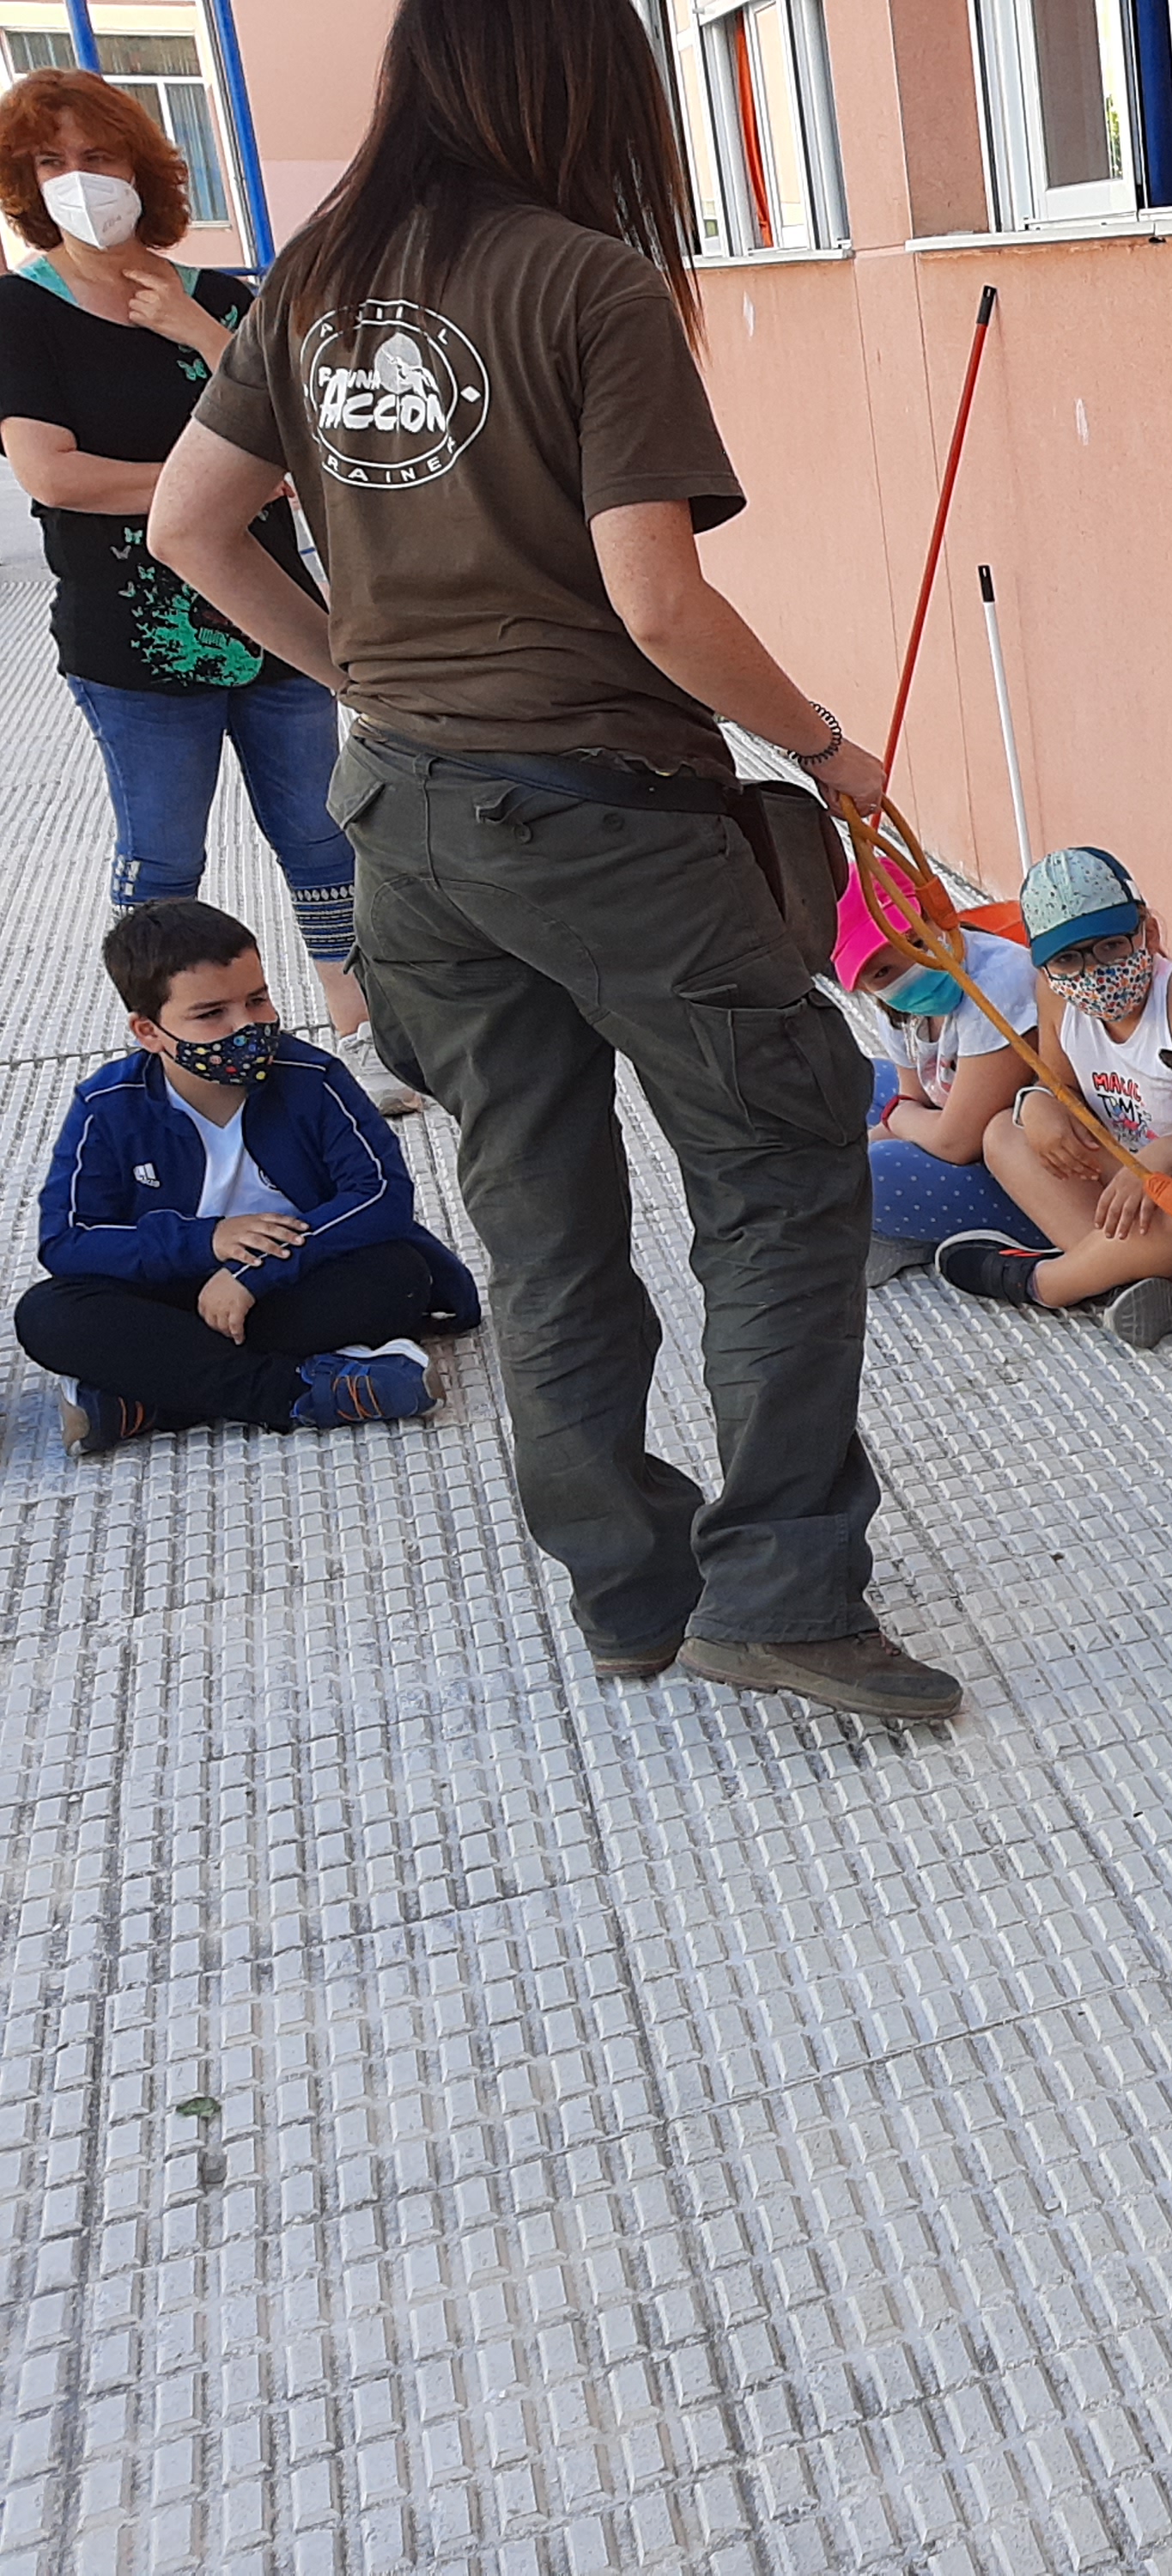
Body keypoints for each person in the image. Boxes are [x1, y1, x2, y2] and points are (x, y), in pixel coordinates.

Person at [146, 0, 953, 1720]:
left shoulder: (311, 280)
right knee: (779, 1167)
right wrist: (820, 745)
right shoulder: (590, 281)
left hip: (406, 820)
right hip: (603, 820)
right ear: (581, 81)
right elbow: (659, 603)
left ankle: (631, 1592)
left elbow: (186, 525)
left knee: (541, 1211)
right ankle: (786, 1596)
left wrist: (361, 675)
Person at [0, 67, 412, 1115]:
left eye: (98, 155)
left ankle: (362, 1033)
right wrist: (220, 484)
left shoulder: (227, 300)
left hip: (274, 625)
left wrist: (198, 332)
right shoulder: (22, 311)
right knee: (162, 861)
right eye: (50, 161)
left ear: (143, 167)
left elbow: (310, 440)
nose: (78, 178)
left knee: (321, 838)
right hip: (133, 645)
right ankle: (175, 1057)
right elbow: (53, 475)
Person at [21, 898, 477, 1455]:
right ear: (149, 1031)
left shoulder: (312, 1078)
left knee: (396, 1276)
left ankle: (152, 1397)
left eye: (257, 999)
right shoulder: (107, 1105)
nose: (247, 1026)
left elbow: (382, 1195)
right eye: (211, 1014)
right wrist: (206, 1240)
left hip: (291, 1283)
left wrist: (253, 1272)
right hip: (175, 1293)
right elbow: (67, 1241)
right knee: (48, 1315)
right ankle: (299, 1393)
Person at [938, 844, 1172, 1350]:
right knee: (1004, 1132)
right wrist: (1039, 1104)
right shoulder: (1057, 997)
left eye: (1109, 946)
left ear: (1149, 932)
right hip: (1129, 1178)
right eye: (1067, 959)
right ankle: (1130, 1273)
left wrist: (1166, 1154)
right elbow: (1058, 1083)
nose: (1092, 971)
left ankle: (1048, 1283)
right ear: (1044, 967)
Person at [830, 860, 1047, 1285]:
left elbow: (957, 1142)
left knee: (869, 1174)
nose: (912, 966)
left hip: (1028, 1176)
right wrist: (893, 1121)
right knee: (845, 1085)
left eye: (915, 940)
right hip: (955, 1125)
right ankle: (908, 1225)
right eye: (881, 971)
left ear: (938, 914)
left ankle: (923, 1227)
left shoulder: (997, 985)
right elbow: (912, 1096)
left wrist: (891, 1123)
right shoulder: (896, 1004)